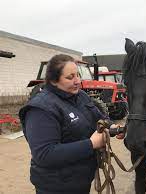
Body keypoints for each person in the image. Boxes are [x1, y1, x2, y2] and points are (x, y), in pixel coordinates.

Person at [19, 54, 115, 194]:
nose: (77, 81)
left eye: (78, 75)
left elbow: (99, 118)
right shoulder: (41, 109)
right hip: (56, 186)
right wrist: (91, 144)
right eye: (70, 77)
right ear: (53, 80)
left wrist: (113, 127)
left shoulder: (80, 96)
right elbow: (45, 154)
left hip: (81, 180)